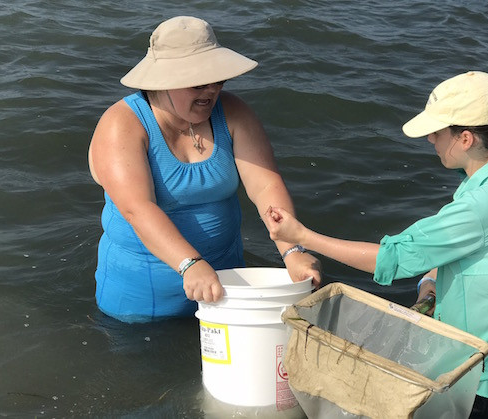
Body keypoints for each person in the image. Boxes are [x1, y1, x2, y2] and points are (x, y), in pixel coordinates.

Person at [263, 71, 488, 419]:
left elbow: (392, 260)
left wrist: (301, 237)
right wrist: (430, 285)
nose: (430, 139)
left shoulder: (480, 206)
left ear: (465, 138)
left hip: (482, 384)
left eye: (436, 132)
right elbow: (475, 255)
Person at [88, 16, 321, 323]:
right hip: (141, 305)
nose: (212, 90)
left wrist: (293, 250)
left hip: (226, 293)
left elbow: (265, 186)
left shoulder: (234, 112)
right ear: (164, 80)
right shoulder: (121, 124)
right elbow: (137, 208)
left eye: (218, 79)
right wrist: (190, 263)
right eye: (198, 82)